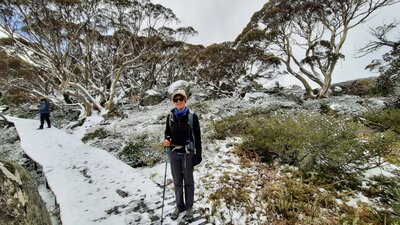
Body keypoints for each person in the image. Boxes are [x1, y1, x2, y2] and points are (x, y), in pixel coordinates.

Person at [163, 89, 202, 221]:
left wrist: (198, 154)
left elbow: (197, 137)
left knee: (188, 182)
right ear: (173, 102)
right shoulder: (170, 116)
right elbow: (167, 132)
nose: (178, 102)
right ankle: (179, 206)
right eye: (176, 100)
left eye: (181, 99)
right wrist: (167, 139)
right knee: (177, 181)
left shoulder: (192, 117)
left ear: (185, 100)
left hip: (187, 154)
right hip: (173, 154)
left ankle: (189, 207)